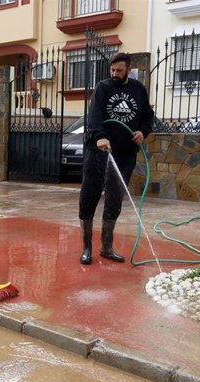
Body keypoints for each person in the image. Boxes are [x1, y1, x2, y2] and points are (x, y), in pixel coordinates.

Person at [79, 52, 154, 265]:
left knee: (114, 199)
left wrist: (143, 131)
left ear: (128, 70)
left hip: (124, 154)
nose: (114, 74)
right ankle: (87, 248)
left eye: (119, 70)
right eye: (112, 70)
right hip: (98, 152)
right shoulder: (103, 88)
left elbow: (148, 116)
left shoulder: (138, 90)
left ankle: (106, 247)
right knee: (88, 196)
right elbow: (94, 116)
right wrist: (100, 137)